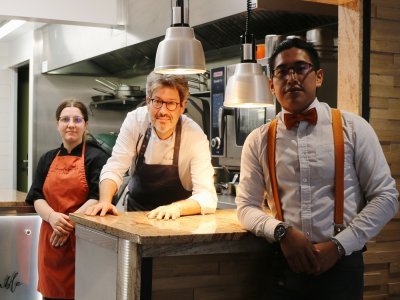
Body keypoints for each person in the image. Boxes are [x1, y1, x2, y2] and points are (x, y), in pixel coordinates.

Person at [236, 38, 399, 299]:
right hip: (283, 266)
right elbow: (245, 206)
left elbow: (386, 197)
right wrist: (282, 232)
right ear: (271, 85)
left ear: (319, 76)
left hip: (342, 267)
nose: (291, 78)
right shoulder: (259, 139)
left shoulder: (354, 128)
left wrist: (339, 245)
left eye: (300, 68)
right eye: (282, 72)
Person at [85, 71, 217, 220]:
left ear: (182, 106)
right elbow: (115, 166)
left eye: (171, 103)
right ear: (148, 102)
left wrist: (176, 207)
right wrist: (105, 201)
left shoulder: (195, 136)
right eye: (158, 101)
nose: (163, 111)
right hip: (136, 215)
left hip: (179, 218)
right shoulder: (135, 121)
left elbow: (207, 196)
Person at [26, 98, 109, 300]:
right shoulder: (47, 158)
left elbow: (98, 198)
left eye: (77, 119)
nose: (71, 124)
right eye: (65, 119)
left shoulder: (97, 157)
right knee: (50, 294)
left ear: (86, 125)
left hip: (82, 240)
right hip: (51, 239)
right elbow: (36, 195)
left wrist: (69, 223)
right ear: (57, 124)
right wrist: (53, 217)